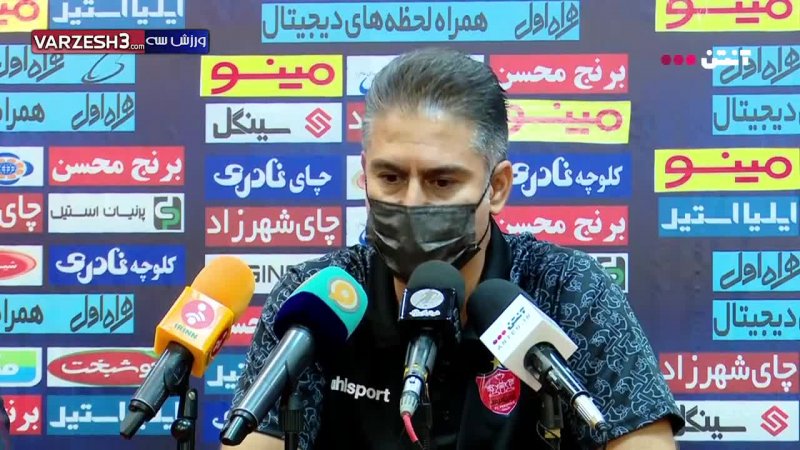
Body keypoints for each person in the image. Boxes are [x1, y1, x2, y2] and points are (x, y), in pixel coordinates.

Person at [223, 47, 684, 450]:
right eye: (390, 177)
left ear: (496, 187)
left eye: (441, 181)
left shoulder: (566, 289)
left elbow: (642, 440)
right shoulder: (319, 302)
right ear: (365, 173)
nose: (411, 202)